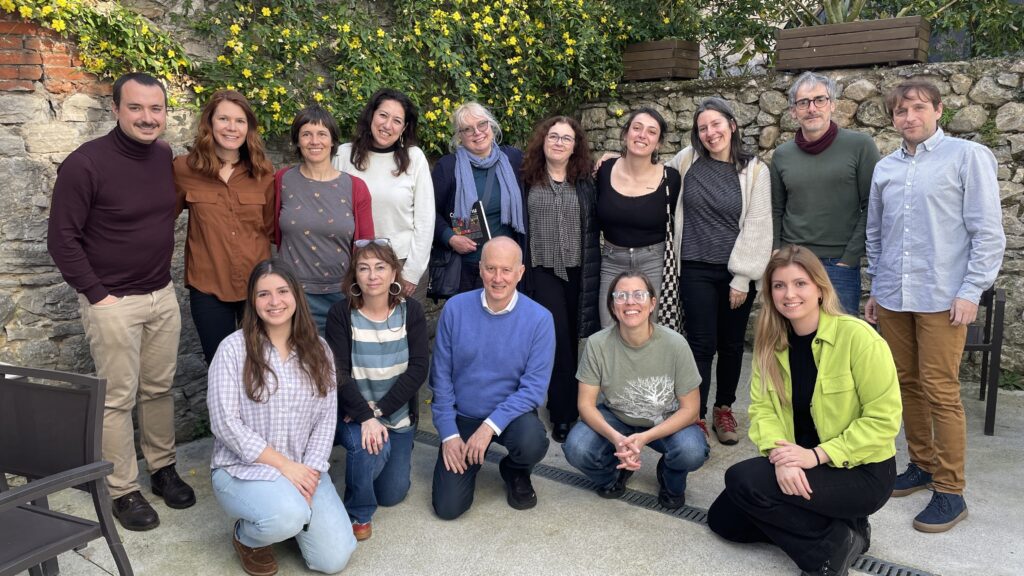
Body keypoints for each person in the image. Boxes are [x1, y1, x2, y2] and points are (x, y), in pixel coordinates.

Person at [47, 72, 195, 532]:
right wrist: (98, 295)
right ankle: (123, 490)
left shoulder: (163, 156)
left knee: (158, 389)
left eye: (155, 108)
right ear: (115, 109)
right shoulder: (85, 164)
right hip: (113, 302)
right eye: (135, 107)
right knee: (116, 399)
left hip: (160, 295)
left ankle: (162, 469)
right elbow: (62, 239)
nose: (147, 117)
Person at [708, 245, 902, 576]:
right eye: (779, 285)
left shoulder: (858, 338)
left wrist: (815, 456)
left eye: (800, 283)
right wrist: (780, 457)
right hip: (800, 459)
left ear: (820, 288)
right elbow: (763, 411)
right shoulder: (770, 345)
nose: (789, 294)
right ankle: (843, 529)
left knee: (742, 480)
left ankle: (829, 548)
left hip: (861, 470)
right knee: (724, 519)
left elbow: (883, 420)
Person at [865, 80, 1005, 533]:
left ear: (939, 110)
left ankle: (950, 490)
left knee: (941, 391)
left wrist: (971, 290)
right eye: (901, 111)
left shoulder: (967, 157)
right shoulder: (885, 168)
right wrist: (876, 287)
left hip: (943, 297)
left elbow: (987, 231)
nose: (910, 117)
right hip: (894, 295)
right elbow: (877, 233)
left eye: (919, 108)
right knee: (906, 384)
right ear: (893, 118)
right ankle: (921, 465)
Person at [208, 260, 356, 576]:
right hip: (243, 470)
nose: (274, 302)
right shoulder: (232, 350)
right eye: (263, 294)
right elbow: (225, 423)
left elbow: (325, 420)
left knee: (334, 560)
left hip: (303, 468)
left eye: (282, 291)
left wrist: (309, 472)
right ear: (252, 301)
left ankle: (288, 514)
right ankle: (248, 537)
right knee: (287, 516)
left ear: (296, 295)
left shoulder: (319, 350)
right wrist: (285, 467)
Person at [665, 98, 772, 446]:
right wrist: (612, 160)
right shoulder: (686, 161)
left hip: (735, 274)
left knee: (731, 344)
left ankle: (723, 408)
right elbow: (651, 174)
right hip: (694, 267)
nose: (710, 133)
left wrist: (742, 278)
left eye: (716, 124)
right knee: (700, 344)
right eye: (703, 128)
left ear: (732, 125)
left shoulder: (754, 170)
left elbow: (758, 225)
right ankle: (693, 414)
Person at [429, 237, 555, 520]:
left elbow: (534, 389)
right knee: (448, 508)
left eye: (506, 270)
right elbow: (440, 378)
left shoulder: (540, 319)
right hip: (464, 416)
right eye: (491, 269)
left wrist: (488, 428)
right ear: (480, 269)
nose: (498, 278)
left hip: (509, 417)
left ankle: (515, 469)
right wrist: (449, 434)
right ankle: (468, 455)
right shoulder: (455, 309)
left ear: (520, 273)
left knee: (532, 441)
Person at [562, 271, 708, 509]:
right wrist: (616, 439)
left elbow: (691, 410)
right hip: (617, 416)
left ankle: (670, 475)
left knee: (691, 450)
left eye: (639, 295)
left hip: (663, 418)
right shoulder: (597, 344)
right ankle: (614, 473)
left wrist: (645, 438)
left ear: (652, 303)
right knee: (577, 448)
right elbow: (585, 405)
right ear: (612, 305)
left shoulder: (675, 344)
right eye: (621, 296)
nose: (630, 302)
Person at [325, 239, 428, 542]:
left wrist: (379, 410)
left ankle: (384, 457)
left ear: (394, 272)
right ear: (354, 275)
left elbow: (418, 368)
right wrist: (365, 416)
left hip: (395, 414)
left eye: (380, 267)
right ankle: (358, 512)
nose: (372, 276)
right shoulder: (341, 314)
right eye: (364, 268)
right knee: (370, 447)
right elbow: (338, 373)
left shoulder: (412, 311)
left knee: (392, 494)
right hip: (356, 415)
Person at [175, 89, 275, 365]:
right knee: (220, 366)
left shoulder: (264, 172)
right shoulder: (184, 169)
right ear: (209, 123)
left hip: (257, 288)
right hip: (208, 287)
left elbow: (270, 228)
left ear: (248, 128)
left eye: (240, 121)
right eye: (223, 119)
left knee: (261, 366)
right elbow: (158, 219)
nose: (232, 127)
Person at [771, 72, 881, 315]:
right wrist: (777, 252)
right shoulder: (782, 155)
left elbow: (872, 206)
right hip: (794, 262)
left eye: (819, 100)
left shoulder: (860, 146)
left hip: (838, 265)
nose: (812, 108)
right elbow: (777, 209)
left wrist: (849, 258)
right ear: (793, 111)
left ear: (832, 104)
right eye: (803, 102)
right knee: (794, 334)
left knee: (839, 335)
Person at [520, 115, 600, 443]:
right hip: (542, 270)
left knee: (578, 341)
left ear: (575, 146)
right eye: (553, 136)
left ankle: (582, 404)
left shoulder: (586, 180)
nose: (559, 142)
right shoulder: (526, 177)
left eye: (567, 138)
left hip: (579, 270)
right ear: (543, 140)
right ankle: (562, 413)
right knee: (558, 341)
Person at [275, 105, 374, 335]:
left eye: (322, 134)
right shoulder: (282, 180)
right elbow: (271, 231)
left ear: (332, 141)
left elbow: (366, 246)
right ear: (297, 141)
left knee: (339, 356)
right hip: (292, 294)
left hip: (342, 296)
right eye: (306, 134)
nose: (314, 141)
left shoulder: (355, 187)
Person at [333, 89, 435, 302]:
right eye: (383, 115)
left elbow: (425, 220)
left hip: (401, 264)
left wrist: (412, 272)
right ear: (371, 115)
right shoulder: (344, 155)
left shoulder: (414, 159)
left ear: (404, 128)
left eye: (397, 121)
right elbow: (333, 213)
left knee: (402, 323)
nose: (388, 125)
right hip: (355, 265)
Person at [596, 107, 682, 328]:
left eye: (651, 132)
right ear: (625, 134)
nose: (642, 135)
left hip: (654, 262)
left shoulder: (671, 179)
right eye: (637, 128)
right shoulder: (604, 170)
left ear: (659, 143)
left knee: (650, 330)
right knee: (609, 327)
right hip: (612, 261)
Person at [432, 102, 526, 294]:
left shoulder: (513, 159)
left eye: (482, 124)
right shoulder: (448, 167)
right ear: (459, 136)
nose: (477, 132)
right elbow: (428, 213)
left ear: (491, 126)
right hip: (467, 269)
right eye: (467, 129)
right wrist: (450, 238)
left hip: (506, 267)